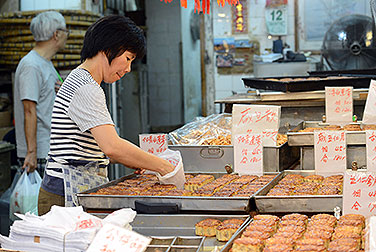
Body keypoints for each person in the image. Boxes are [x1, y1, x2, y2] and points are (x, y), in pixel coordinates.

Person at [38, 15, 183, 215]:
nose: (128, 68)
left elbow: (95, 147)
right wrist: (164, 167)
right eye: (128, 58)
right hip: (63, 194)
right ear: (108, 49)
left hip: (71, 188)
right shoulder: (86, 88)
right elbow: (112, 147)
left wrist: (135, 160)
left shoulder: (84, 81)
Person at [14, 11, 68, 176]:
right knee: (41, 202)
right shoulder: (31, 65)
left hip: (50, 148)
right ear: (56, 34)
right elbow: (29, 110)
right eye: (65, 31)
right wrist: (31, 153)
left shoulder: (46, 63)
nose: (67, 35)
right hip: (40, 152)